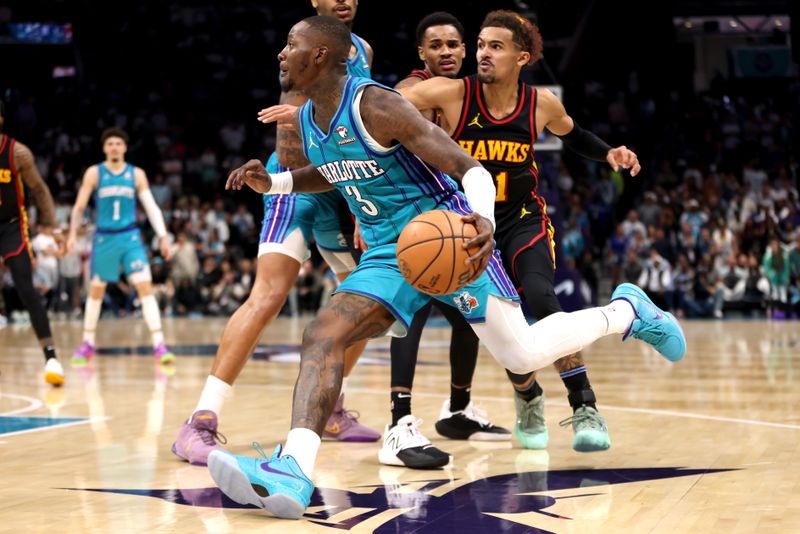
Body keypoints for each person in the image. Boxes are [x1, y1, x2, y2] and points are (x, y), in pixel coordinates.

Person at [208, 15, 685, 520]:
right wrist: (276, 185)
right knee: (322, 334)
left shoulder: (377, 105)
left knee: (522, 355)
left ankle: (627, 311)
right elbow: (332, 170)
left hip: (449, 235)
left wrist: (480, 219)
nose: (281, 54)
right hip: (389, 254)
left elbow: (467, 167)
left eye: (291, 45)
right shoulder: (307, 119)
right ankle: (293, 470)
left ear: (322, 55)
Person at [397, 10, 644, 452]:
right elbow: (385, 102)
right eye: (481, 46)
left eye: (495, 46)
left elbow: (575, 134)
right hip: (468, 223)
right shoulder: (454, 94)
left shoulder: (541, 104)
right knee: (502, 328)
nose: (482, 54)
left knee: (541, 298)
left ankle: (584, 405)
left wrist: (609, 154)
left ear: (521, 56)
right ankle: (527, 394)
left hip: (522, 217)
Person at [171, 0, 378, 468]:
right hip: (296, 183)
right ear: (315, 3)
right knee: (268, 295)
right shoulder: (305, 48)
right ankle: (198, 422)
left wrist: (362, 193)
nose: (343, 0)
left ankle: (329, 407)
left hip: (346, 180)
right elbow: (288, 149)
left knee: (368, 300)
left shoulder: (362, 48)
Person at [382, 12, 509, 469]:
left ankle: (457, 410)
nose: (447, 52)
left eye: (454, 44)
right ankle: (398, 422)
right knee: (408, 315)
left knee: (466, 318)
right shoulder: (404, 94)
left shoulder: (468, 93)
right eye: (436, 45)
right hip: (409, 220)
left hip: (449, 218)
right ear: (422, 53)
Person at [66, 128, 175, 365]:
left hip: (130, 237)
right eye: (110, 143)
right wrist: (72, 234)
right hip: (104, 237)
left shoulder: (136, 174)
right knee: (96, 290)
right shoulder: (94, 173)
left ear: (125, 147)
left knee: (144, 286)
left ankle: (159, 344)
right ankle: (87, 343)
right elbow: (79, 207)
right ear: (104, 148)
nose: (114, 147)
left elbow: (151, 207)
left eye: (118, 143)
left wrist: (163, 235)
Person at [0, 99, 65, 385]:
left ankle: (51, 357)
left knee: (26, 287)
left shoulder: (17, 152)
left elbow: (39, 189)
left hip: (13, 226)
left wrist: (51, 226)